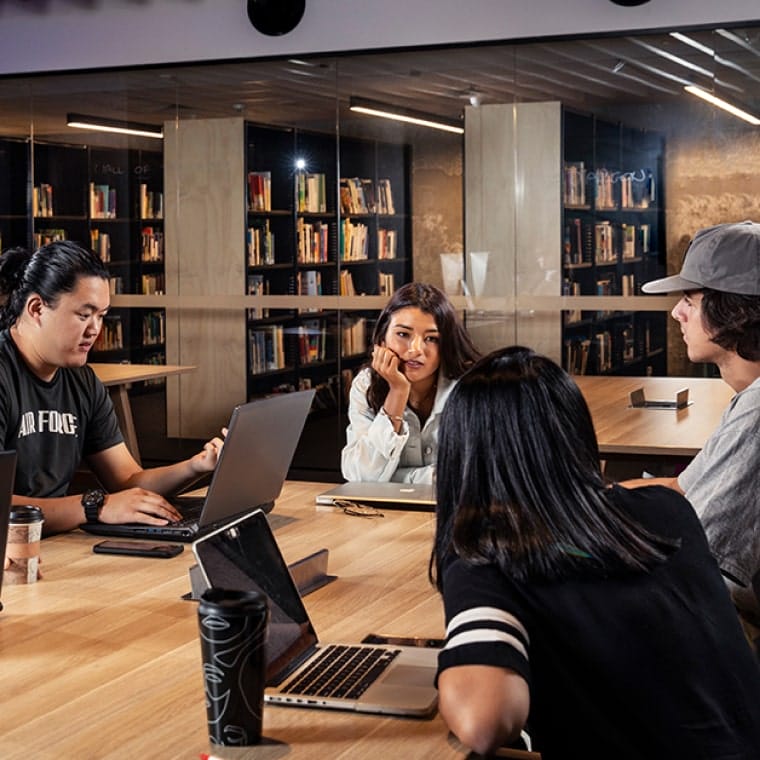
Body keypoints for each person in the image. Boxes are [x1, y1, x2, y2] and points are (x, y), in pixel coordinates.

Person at [431, 346, 760, 758]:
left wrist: (457, 656)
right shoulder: (668, 512)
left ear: (461, 457)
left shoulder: (488, 558)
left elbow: (484, 721)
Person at [0, 240, 224, 535]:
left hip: (55, 546)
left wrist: (197, 466)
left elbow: (127, 479)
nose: (95, 330)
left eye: (101, 315)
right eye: (84, 314)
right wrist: (95, 506)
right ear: (37, 308)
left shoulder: (83, 381)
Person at [623, 220, 760, 629]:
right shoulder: (748, 401)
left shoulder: (757, 416)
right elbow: (680, 489)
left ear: (731, 310)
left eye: (689, 299)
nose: (676, 312)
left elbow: (698, 562)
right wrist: (580, 499)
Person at [341, 282, 479, 483]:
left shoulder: (471, 387)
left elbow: (471, 476)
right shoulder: (366, 385)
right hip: (385, 513)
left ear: (446, 344)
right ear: (382, 340)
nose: (415, 349)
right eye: (403, 334)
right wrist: (397, 392)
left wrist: (394, 479)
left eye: (431, 339)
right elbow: (361, 476)